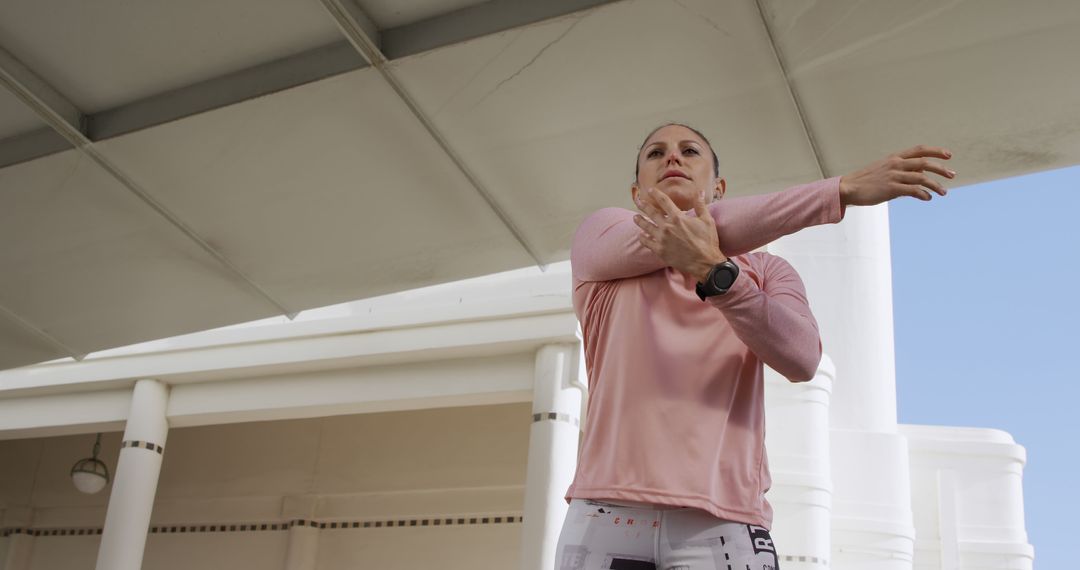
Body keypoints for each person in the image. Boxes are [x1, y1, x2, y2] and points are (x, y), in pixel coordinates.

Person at [555, 123, 953, 570]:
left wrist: (714, 272)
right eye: (655, 153)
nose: (672, 158)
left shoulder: (769, 270)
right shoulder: (602, 237)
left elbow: (803, 358)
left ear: (718, 187)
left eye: (689, 151)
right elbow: (690, 229)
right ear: (636, 194)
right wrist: (839, 191)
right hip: (607, 514)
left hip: (725, 523)